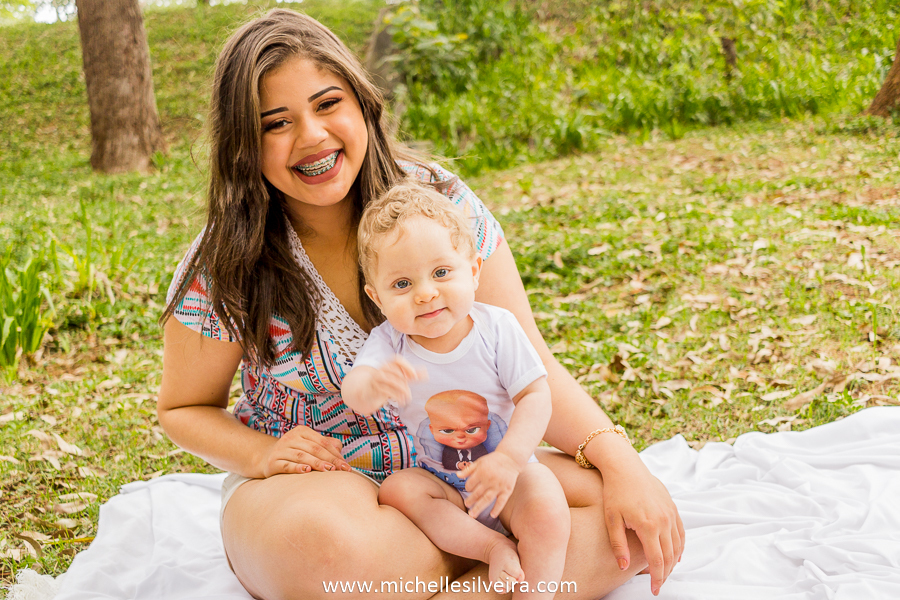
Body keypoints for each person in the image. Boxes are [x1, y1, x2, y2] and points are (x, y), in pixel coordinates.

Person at [157, 8, 684, 600]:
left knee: (634, 528)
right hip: (327, 488)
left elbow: (528, 360)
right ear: (243, 144)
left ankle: (440, 579)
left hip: (464, 466)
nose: (310, 137)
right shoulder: (226, 260)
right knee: (321, 549)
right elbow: (183, 408)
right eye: (275, 123)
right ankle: (490, 573)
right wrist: (263, 452)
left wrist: (623, 465)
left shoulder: (440, 202)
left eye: (328, 104)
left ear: (361, 103)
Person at [342, 182, 570, 596]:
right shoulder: (389, 342)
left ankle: (537, 593)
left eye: (441, 273)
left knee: (546, 502)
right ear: (377, 298)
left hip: (508, 479)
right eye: (402, 284)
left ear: (474, 270)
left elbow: (537, 397)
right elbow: (354, 393)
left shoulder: (496, 328)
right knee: (400, 489)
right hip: (445, 486)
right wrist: (370, 384)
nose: (426, 293)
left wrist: (510, 460)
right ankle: (492, 547)